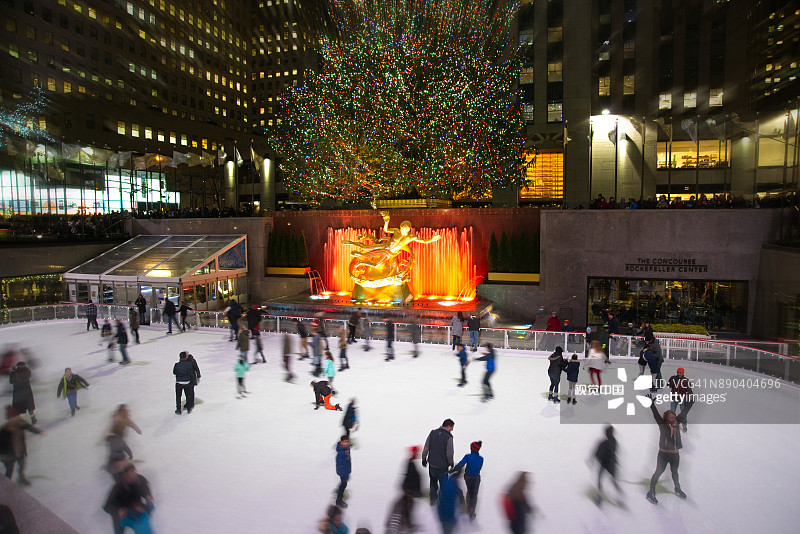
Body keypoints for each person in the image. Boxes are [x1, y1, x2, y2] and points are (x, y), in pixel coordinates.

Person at [343, 211, 441, 273]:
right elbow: (386, 230)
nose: (402, 231)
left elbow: (423, 241)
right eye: (402, 229)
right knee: (365, 248)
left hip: (390, 253)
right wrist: (386, 221)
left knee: (376, 265)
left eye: (404, 230)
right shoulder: (396, 231)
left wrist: (432, 239)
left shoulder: (411, 237)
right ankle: (350, 243)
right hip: (385, 245)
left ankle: (360, 262)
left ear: (408, 230)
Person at [645, 397, 694, 504]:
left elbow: (685, 411)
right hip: (664, 454)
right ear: (666, 419)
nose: (673, 419)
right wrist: (652, 404)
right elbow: (656, 416)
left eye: (674, 417)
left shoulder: (677, 423)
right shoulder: (663, 426)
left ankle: (677, 488)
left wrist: (691, 401)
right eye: (671, 417)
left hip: (675, 454)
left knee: (675, 472)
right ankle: (651, 491)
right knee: (659, 472)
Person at [103, 463, 154, 534]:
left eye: (134, 475)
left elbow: (145, 490)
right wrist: (118, 511)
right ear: (124, 475)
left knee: (143, 528)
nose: (132, 478)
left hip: (135, 510)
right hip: (121, 514)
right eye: (129, 477)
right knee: (119, 531)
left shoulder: (140, 480)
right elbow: (107, 506)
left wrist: (148, 496)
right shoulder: (118, 487)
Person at [0, 406, 43, 486]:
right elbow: (2, 444)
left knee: (21, 466)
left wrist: (38, 432)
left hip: (19, 451)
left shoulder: (19, 423)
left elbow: (28, 427)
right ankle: (6, 484)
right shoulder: (5, 429)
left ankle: (20, 478)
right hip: (9, 454)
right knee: (9, 470)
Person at [421, 418, 455, 505]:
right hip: (442, 466)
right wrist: (451, 463)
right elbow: (449, 453)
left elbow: (426, 447)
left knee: (433, 481)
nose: (452, 430)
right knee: (444, 484)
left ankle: (433, 499)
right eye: (452, 428)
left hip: (432, 464)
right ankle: (443, 501)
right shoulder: (449, 437)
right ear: (448, 426)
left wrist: (424, 458)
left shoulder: (432, 433)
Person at [451, 441, 483, 521]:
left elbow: (461, 464)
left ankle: (469, 508)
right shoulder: (481, 459)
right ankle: (472, 509)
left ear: (472, 448)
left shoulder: (468, 456)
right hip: (477, 478)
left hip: (468, 477)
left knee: (469, 493)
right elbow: (479, 468)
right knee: (474, 495)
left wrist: (453, 470)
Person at [593, 425, 623, 506]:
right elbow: (614, 453)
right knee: (614, 481)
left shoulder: (603, 443)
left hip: (604, 464)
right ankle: (620, 497)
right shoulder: (615, 442)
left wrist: (594, 459)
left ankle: (599, 497)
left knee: (600, 480)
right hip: (612, 464)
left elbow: (597, 453)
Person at [667, 368, 692, 432]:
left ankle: (684, 425)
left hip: (682, 399)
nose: (679, 374)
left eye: (680, 372)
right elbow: (668, 385)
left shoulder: (686, 381)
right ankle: (671, 423)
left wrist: (689, 399)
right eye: (678, 372)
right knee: (672, 411)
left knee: (683, 413)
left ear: (683, 373)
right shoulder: (673, 378)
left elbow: (689, 390)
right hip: (674, 398)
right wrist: (672, 381)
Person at [334, 435, 351, 508]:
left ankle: (338, 490)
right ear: (341, 442)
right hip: (343, 471)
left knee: (345, 482)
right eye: (344, 442)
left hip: (346, 470)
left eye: (347, 442)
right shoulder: (340, 453)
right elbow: (339, 465)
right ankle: (339, 501)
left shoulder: (346, 449)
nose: (346, 443)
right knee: (343, 485)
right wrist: (343, 473)